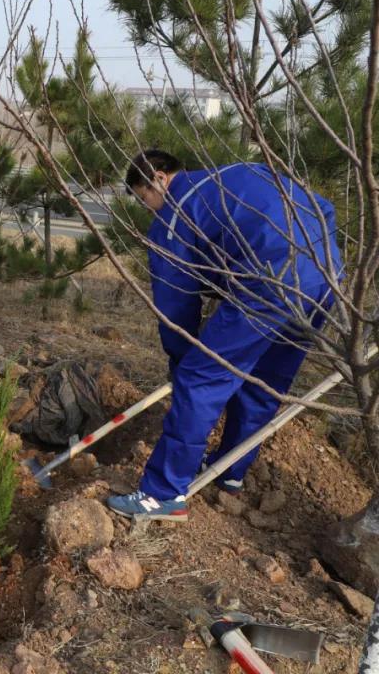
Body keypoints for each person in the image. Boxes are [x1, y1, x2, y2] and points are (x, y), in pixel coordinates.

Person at [106, 150, 342, 521]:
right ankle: (231, 471)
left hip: (271, 280)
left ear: (159, 178)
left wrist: (182, 360)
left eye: (143, 198)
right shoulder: (245, 170)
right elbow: (322, 209)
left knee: (200, 377)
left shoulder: (175, 214)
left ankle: (162, 494)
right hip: (326, 276)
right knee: (265, 380)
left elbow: (175, 307)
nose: (148, 208)